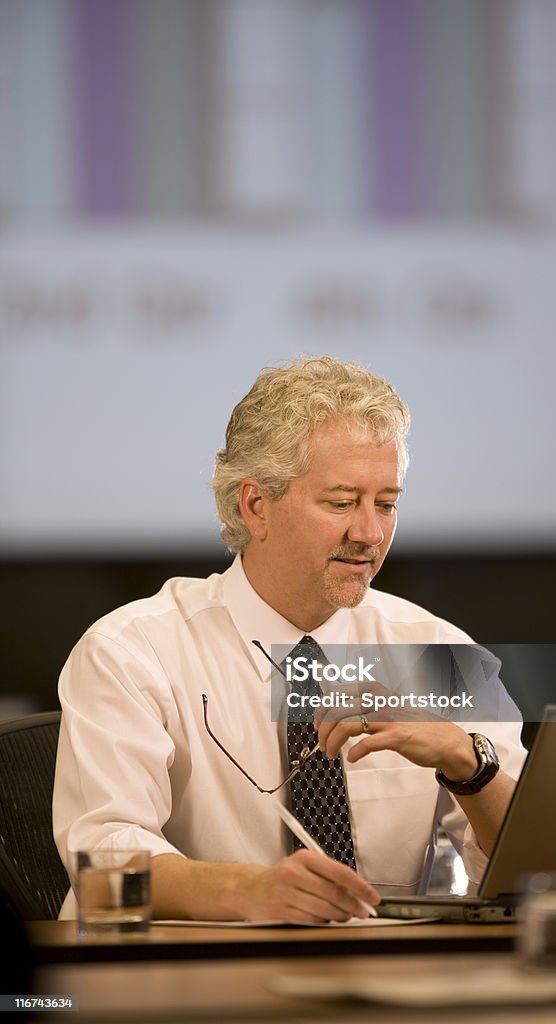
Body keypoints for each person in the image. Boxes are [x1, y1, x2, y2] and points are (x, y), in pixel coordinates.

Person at [54, 356, 526, 923]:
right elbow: (99, 871)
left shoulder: (435, 651)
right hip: (193, 987)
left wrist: (466, 763)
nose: (370, 533)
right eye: (342, 502)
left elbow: (536, 875)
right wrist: (251, 893)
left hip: (387, 986)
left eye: (387, 503)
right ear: (256, 506)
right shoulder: (133, 652)